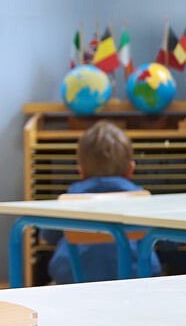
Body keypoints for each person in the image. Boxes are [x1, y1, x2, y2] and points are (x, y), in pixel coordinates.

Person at [42, 120, 162, 284]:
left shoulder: (69, 200)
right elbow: (166, 241)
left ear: (81, 172)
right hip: (134, 281)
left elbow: (47, 235)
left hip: (74, 280)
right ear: (131, 170)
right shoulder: (142, 200)